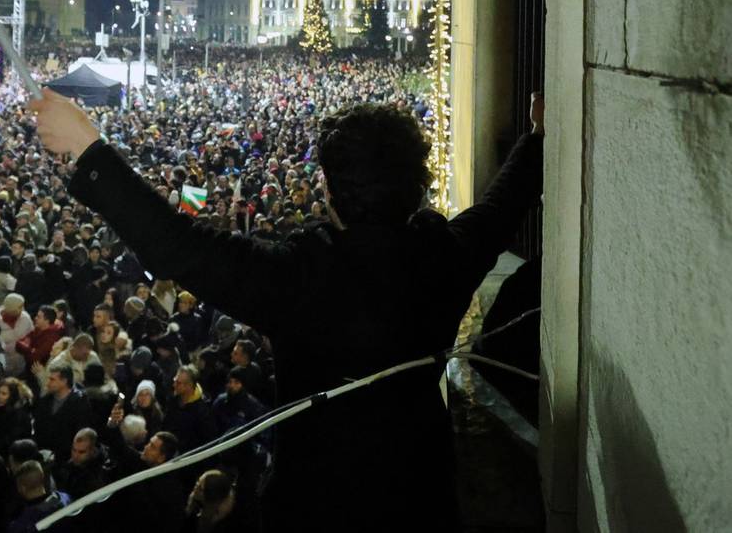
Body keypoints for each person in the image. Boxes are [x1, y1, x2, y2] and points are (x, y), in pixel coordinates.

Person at [31, 89, 545, 532]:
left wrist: (89, 147)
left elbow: (178, 245)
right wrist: (538, 139)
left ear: (329, 188)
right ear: (415, 184)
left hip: (317, 505)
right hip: (420, 496)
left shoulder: (299, 278)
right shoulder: (444, 258)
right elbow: (501, 208)